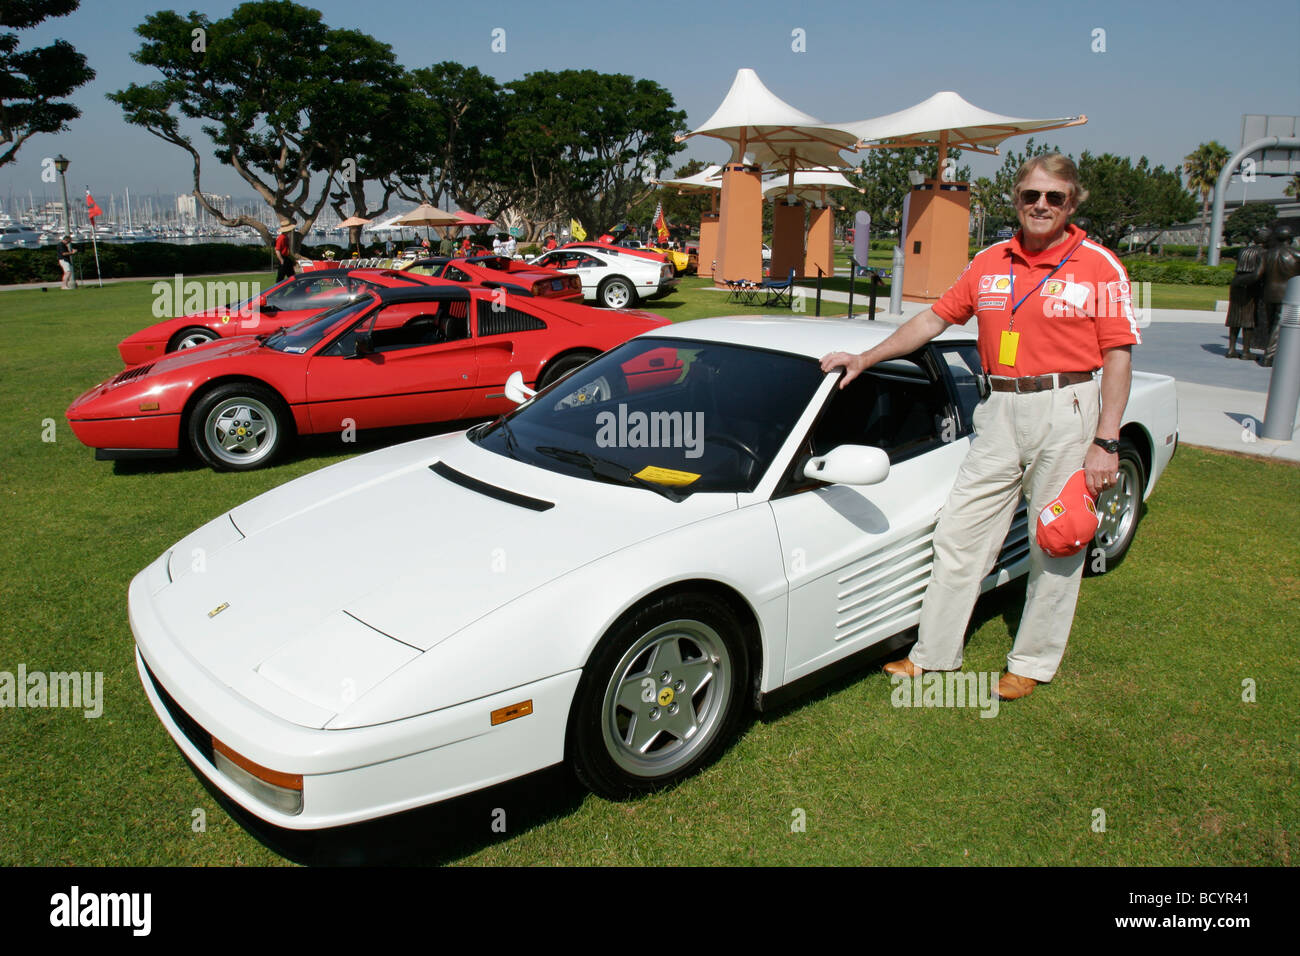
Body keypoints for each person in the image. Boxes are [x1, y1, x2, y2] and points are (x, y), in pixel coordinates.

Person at [820, 153, 1140, 701]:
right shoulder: (990, 259)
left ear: (1072, 203)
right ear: (1016, 199)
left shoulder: (1099, 267)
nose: (1041, 206)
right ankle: (934, 656)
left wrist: (1106, 441)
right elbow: (931, 320)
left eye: (1054, 197)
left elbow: (1117, 357)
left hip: (1068, 410)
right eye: (1031, 195)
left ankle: (1033, 661)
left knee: (1057, 539)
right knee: (960, 534)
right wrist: (866, 358)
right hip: (997, 412)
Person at [1259, 224, 1300, 367]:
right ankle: (1269, 356)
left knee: (1273, 325)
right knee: (1278, 326)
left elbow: (1259, 274)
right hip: (1288, 294)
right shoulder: (1297, 255)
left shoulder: (1267, 254)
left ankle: (1273, 352)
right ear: (1291, 238)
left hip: (1269, 293)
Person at [1225, 227, 1269, 359]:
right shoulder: (1263, 252)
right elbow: (1258, 273)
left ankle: (1231, 349)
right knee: (1248, 319)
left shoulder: (1243, 250)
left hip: (1237, 282)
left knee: (1235, 315)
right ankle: (1246, 351)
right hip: (1250, 285)